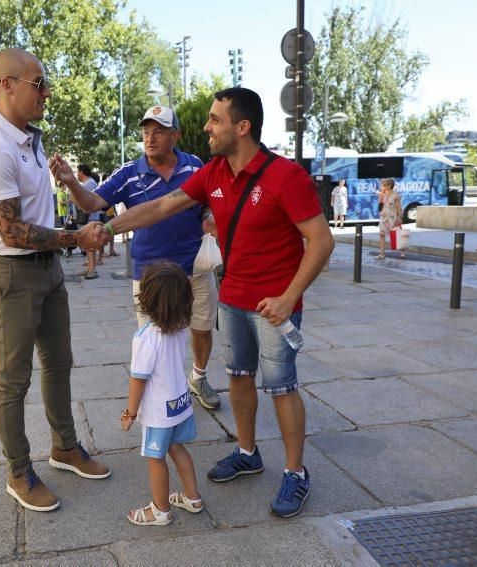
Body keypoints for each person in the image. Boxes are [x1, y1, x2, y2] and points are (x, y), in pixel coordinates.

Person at [80, 87, 334, 518]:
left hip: (274, 304)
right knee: (238, 378)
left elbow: (321, 240)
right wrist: (109, 225)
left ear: (243, 126)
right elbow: (161, 207)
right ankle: (247, 451)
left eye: (215, 119)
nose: (206, 127)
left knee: (282, 387)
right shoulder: (214, 172)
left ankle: (295, 472)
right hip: (233, 296)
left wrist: (290, 298)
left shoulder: (285, 176)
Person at [0, 47, 110, 513]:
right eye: (38, 83)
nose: (46, 92)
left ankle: (64, 448)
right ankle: (18, 471)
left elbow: (34, 213)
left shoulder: (30, 139)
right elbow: (11, 230)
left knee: (60, 362)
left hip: (46, 270)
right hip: (10, 274)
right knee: (13, 380)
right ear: (6, 85)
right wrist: (75, 238)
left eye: (45, 83)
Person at [51, 105, 222, 411]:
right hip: (149, 272)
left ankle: (198, 376)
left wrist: (208, 214)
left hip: (196, 265)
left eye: (158, 131)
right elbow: (92, 201)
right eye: (146, 131)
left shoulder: (196, 167)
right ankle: (158, 392)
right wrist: (72, 183)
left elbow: (210, 201)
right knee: (151, 337)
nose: (150, 138)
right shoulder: (129, 173)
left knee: (202, 327)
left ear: (176, 135)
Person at [121, 261, 203, 526]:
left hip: (158, 411)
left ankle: (160, 510)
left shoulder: (145, 337)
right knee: (177, 448)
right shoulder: (178, 328)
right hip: (179, 403)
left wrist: (130, 412)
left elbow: (138, 379)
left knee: (155, 458)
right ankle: (192, 497)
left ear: (146, 298)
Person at [77, 164, 100, 279]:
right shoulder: (89, 183)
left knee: (90, 244)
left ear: (82, 172)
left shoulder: (89, 184)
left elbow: (86, 201)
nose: (77, 174)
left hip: (90, 218)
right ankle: (89, 268)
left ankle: (92, 270)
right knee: (87, 244)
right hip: (89, 217)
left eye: (77, 172)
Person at [377, 178, 404, 260]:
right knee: (382, 234)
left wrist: (400, 217)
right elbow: (380, 205)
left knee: (398, 234)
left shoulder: (396, 195)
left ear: (390, 186)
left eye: (385, 185)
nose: (383, 186)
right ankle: (382, 254)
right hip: (384, 217)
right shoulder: (384, 194)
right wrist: (380, 197)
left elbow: (399, 207)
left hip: (393, 218)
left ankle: (403, 251)